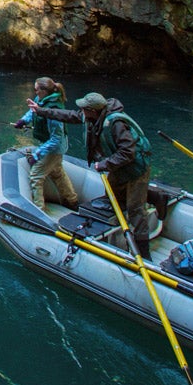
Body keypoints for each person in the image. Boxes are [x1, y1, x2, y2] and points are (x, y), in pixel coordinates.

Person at [28, 91, 153, 259]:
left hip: (135, 170)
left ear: (93, 110)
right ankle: (116, 234)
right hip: (119, 169)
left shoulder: (116, 124)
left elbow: (128, 152)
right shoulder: (92, 117)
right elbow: (69, 116)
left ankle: (144, 254)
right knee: (113, 198)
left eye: (84, 108)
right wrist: (40, 110)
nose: (81, 111)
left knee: (135, 209)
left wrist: (103, 164)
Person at [12, 77, 79, 211]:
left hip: (55, 149)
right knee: (57, 173)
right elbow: (33, 111)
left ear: (44, 91)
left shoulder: (54, 110)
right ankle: (72, 201)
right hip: (51, 146)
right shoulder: (41, 100)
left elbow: (56, 139)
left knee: (36, 175)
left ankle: (39, 210)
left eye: (36, 90)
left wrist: (37, 154)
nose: (35, 92)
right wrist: (23, 121)